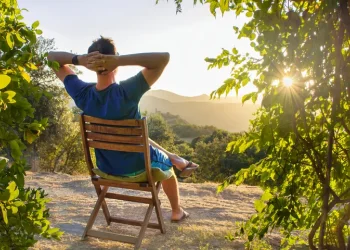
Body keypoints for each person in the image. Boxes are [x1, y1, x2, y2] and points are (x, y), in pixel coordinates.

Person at [48, 36, 199, 222]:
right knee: (166, 166)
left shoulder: (81, 93)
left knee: (137, 136)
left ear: (91, 65)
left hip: (105, 169)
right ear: (114, 61)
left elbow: (51, 57)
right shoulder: (127, 91)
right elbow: (163, 58)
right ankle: (177, 211)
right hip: (138, 169)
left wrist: (79, 60)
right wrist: (119, 60)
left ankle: (175, 158)